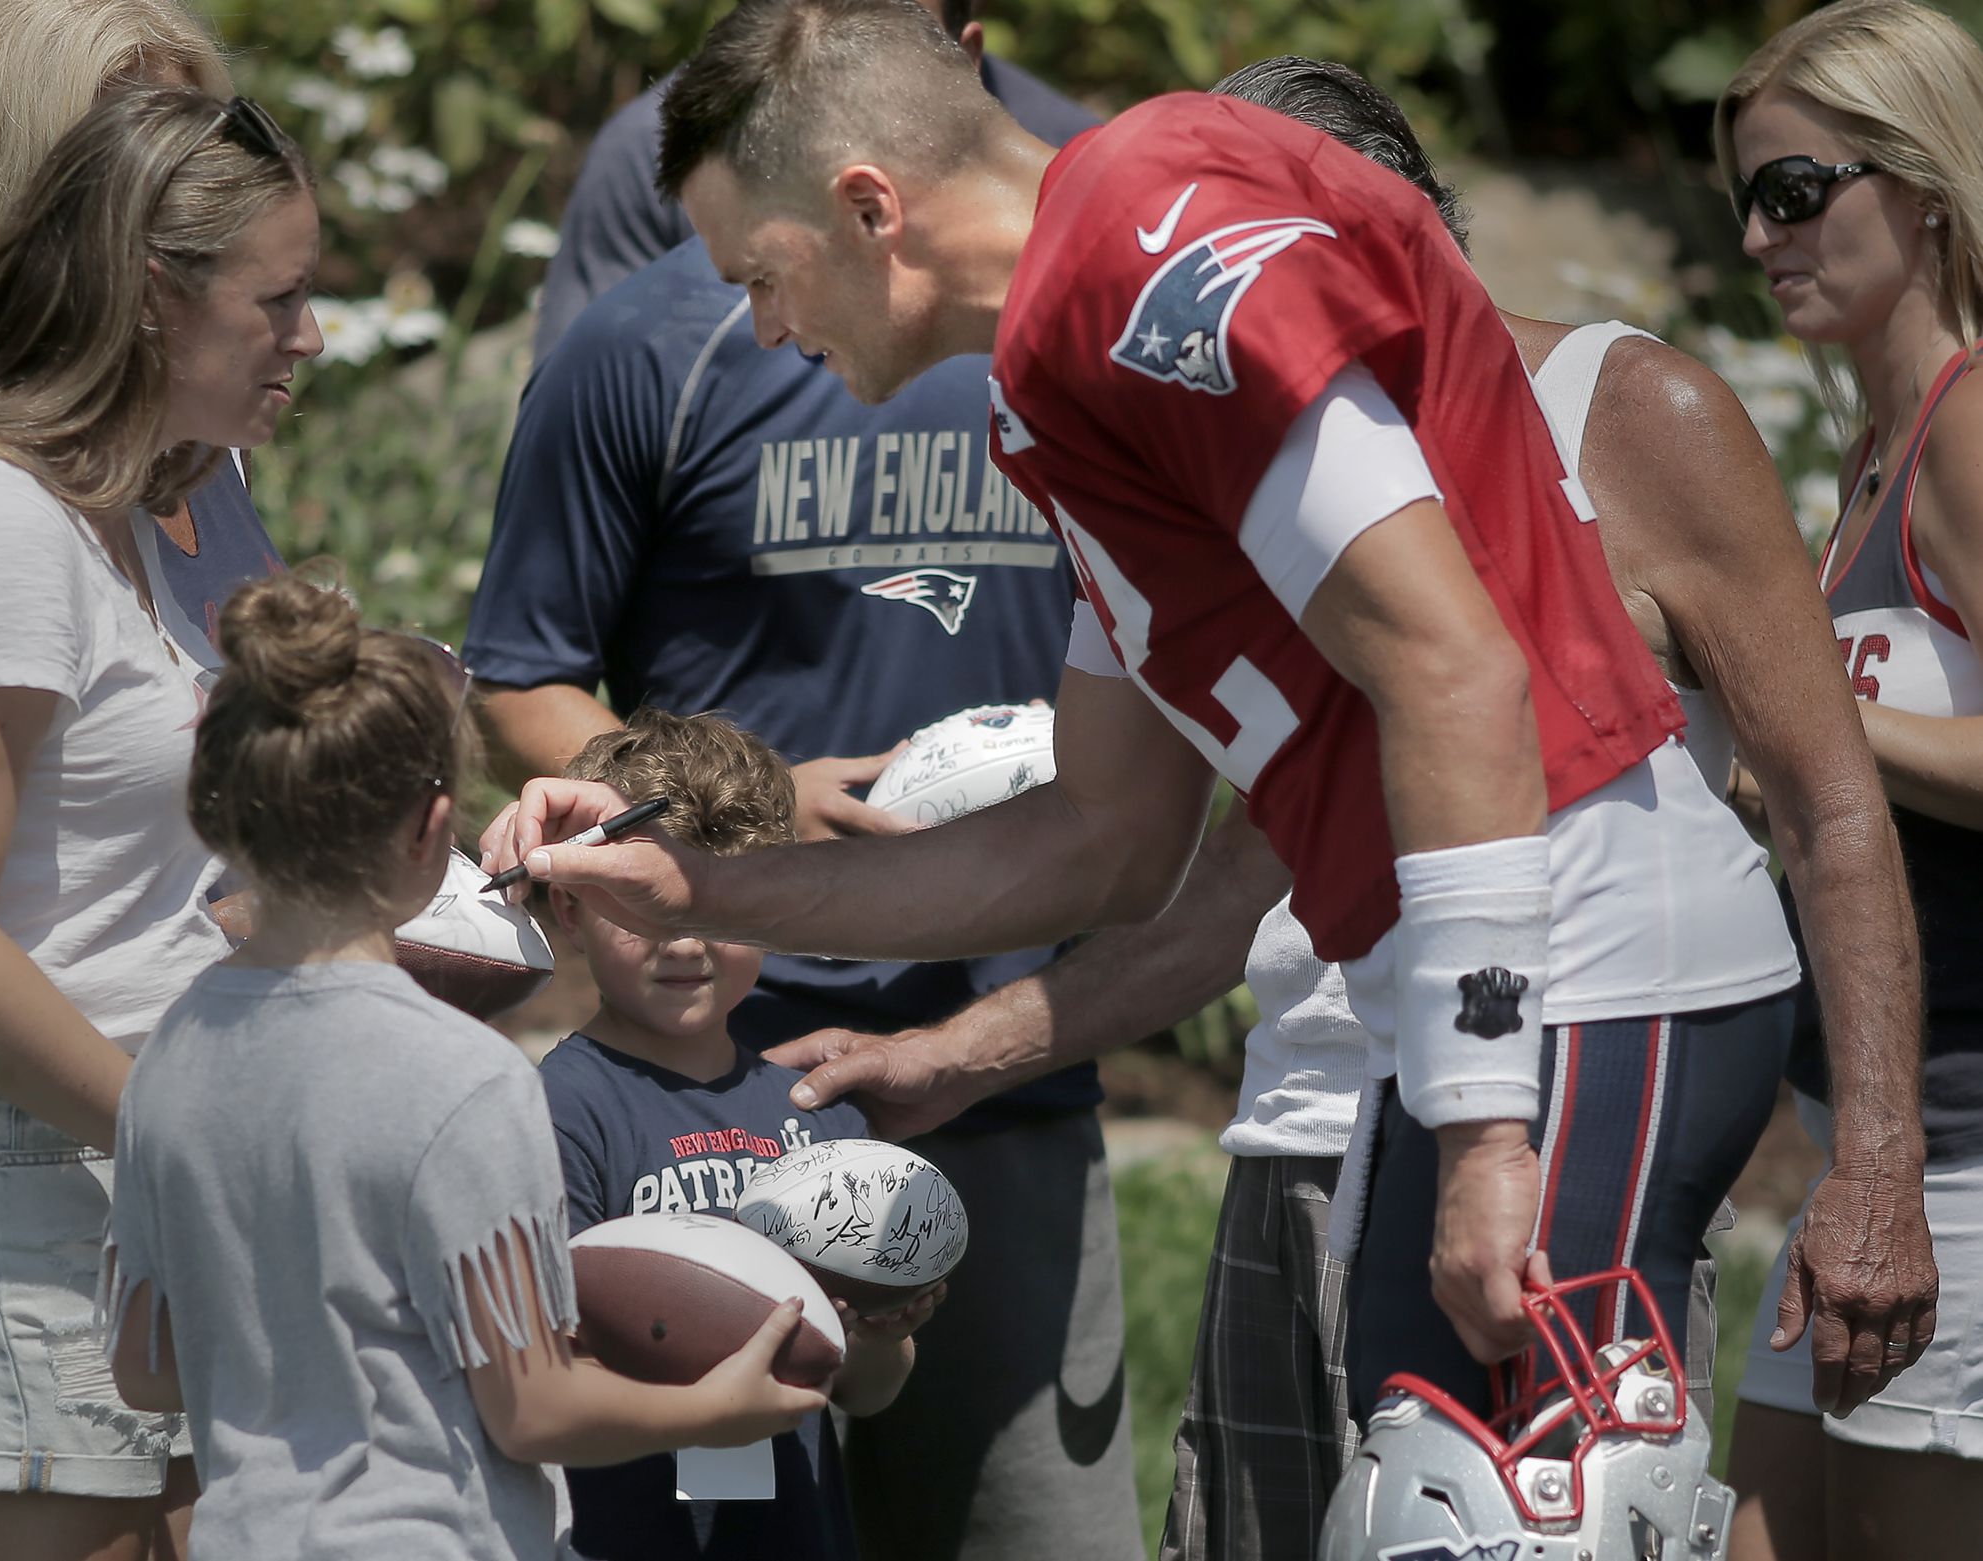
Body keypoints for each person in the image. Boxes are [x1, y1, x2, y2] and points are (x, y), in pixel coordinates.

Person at [486, 0, 1800, 1431]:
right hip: (1504, 978)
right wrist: (699, 880)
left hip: (1586, 948)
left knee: (1501, 1502)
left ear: (870, 209)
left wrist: (1486, 1124)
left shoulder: (1142, 243)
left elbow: (1452, 664)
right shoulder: (1057, 369)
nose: (761, 324)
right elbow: (1100, 845)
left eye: (761, 272)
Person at [764, 54, 1934, 1556]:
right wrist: (963, 1048)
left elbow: (1831, 809)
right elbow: (1210, 860)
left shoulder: (1629, 405)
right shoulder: (1205, 449)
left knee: (1525, 1517)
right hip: (1318, 1121)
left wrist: (1877, 1165)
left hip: (1560, 1081)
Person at [466, 21, 1139, 1561]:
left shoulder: (1089, 323)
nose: (764, 315)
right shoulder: (652, 342)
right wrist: (749, 810)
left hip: (1004, 1043)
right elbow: (517, 669)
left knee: (1035, 1532)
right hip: (713, 1060)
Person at [102, 577, 827, 1558]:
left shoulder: (169, 1055)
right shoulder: (468, 1075)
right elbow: (532, 1410)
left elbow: (146, 1366)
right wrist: (713, 1408)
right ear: (430, 826)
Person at [0, 88, 319, 1561]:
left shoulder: (129, 507)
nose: (310, 341)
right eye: (282, 301)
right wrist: (189, 1151)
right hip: (21, 1199)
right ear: (150, 297)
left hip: (124, 1189)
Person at [1718, 2, 1983, 1552]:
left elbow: (1841, 745)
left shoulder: (1964, 427)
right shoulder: (1873, 451)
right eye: (1747, 201)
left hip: (1959, 1153)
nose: (1761, 237)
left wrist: (1803, 719)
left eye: (1796, 193)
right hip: (1870, 1150)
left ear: (1927, 186)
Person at [536, 708, 939, 1560]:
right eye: (642, 905)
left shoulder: (819, 1113)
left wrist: (883, 1325)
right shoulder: (557, 1110)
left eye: (714, 901)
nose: (682, 939)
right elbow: (540, 1379)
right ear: (569, 912)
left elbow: (865, 1394)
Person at [0, 0, 285, 673]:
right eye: (129, 170)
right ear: (13, 189)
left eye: (199, 152)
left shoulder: (197, 427)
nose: (188, 202)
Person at [529, 0, 1094, 358]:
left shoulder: (1076, 172)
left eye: (882, 33)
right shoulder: (650, 156)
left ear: (962, 56)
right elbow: (585, 422)